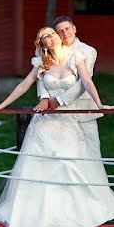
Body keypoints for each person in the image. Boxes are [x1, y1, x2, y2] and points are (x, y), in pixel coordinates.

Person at [0, 26, 114, 227]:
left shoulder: (76, 57)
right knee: (39, 168)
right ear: (42, 44)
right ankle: (36, 215)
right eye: (45, 36)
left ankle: (74, 214)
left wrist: (100, 105)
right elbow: (25, 85)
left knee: (70, 166)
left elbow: (86, 81)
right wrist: (1, 105)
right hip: (44, 125)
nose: (51, 37)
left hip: (66, 121)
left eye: (52, 34)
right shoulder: (42, 64)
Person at [34, 16, 101, 158]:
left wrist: (59, 100)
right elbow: (41, 78)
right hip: (54, 114)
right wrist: (45, 97)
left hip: (83, 109)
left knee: (90, 153)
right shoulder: (49, 49)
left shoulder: (87, 51)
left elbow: (84, 81)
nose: (64, 33)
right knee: (52, 154)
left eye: (67, 29)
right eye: (60, 31)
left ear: (74, 29)